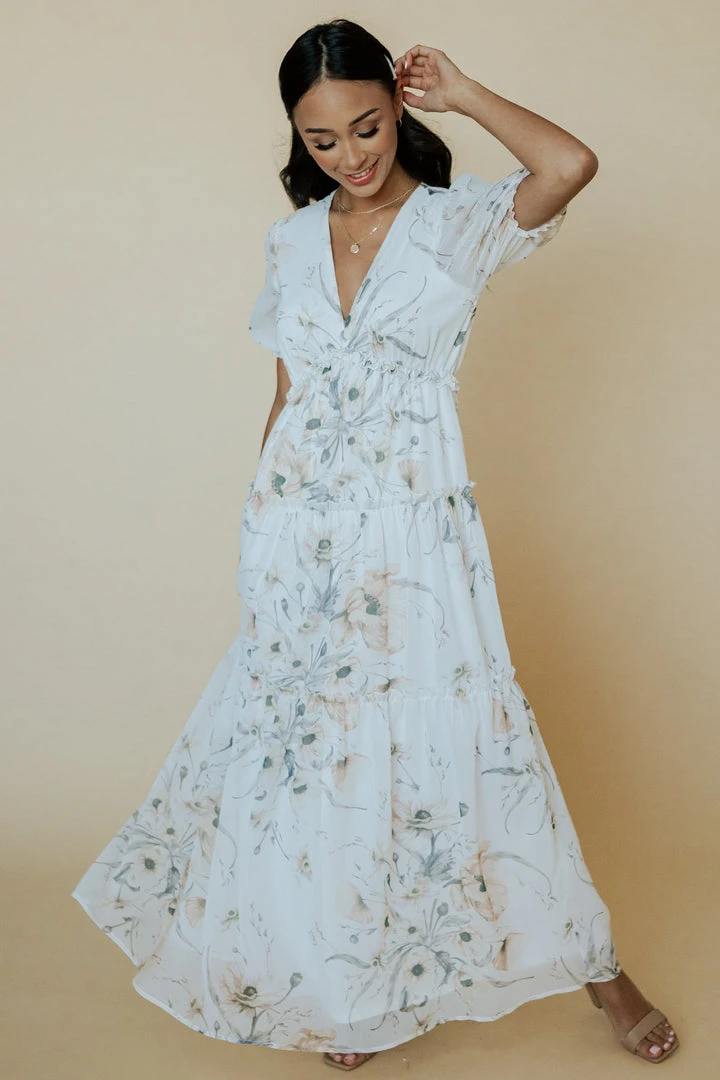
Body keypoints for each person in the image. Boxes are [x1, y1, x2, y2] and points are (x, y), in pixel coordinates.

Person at [71, 17, 679, 1071]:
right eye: (323, 140)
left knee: (468, 739)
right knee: (321, 759)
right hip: (300, 535)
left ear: (398, 109)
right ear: (296, 140)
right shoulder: (292, 242)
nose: (350, 156)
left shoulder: (457, 224)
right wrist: (261, 527)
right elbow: (289, 393)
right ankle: (349, 995)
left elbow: (569, 166)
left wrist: (467, 91)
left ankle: (598, 968)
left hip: (416, 528)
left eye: (367, 127)